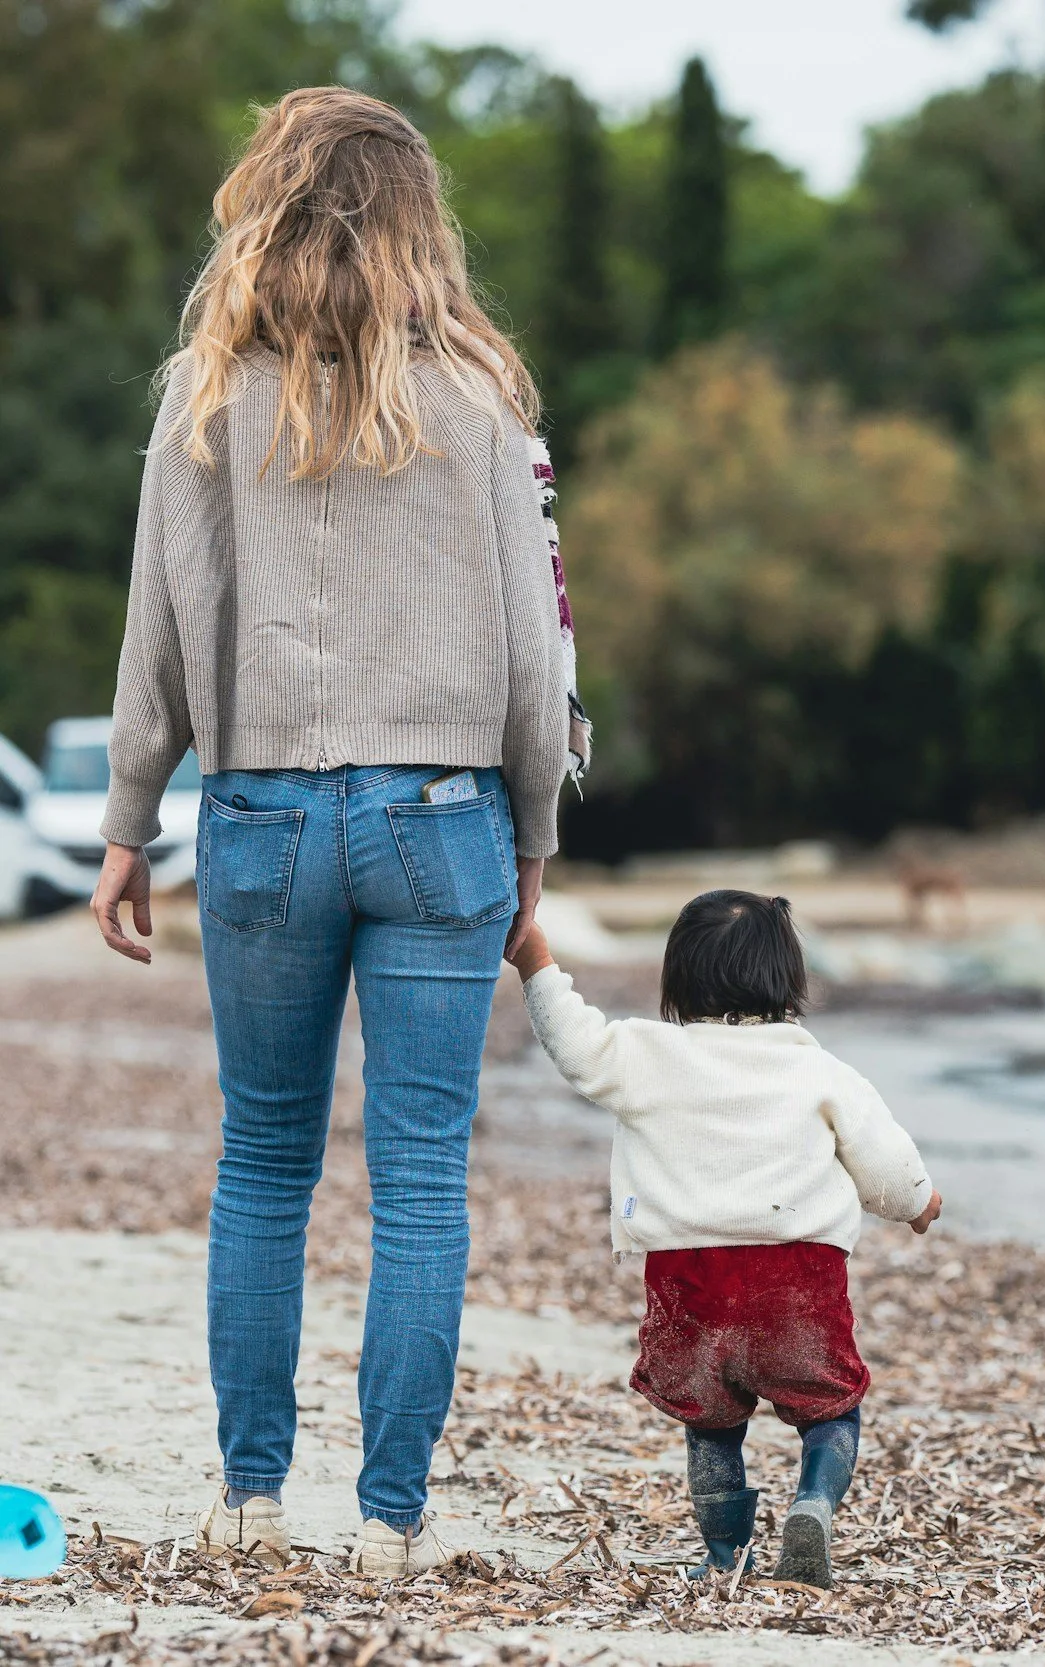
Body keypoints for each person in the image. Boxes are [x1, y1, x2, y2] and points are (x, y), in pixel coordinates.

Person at [89, 87, 585, 1577]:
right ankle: (385, 1519)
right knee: (423, 1175)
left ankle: (248, 1495)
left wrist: (128, 816)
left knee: (264, 1159)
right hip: (444, 818)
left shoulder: (203, 392)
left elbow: (158, 628)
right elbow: (537, 652)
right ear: (419, 219)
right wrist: (537, 837)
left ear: (268, 203)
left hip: (260, 812)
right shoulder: (488, 406)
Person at [505, 891, 941, 1585]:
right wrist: (919, 1202)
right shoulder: (819, 1069)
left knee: (709, 1422)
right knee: (832, 1409)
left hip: (688, 1286)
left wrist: (537, 962)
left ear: (678, 980)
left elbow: (575, 1044)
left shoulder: (646, 1054)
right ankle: (814, 1503)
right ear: (786, 978)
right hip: (797, 1283)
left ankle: (723, 1555)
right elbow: (883, 1163)